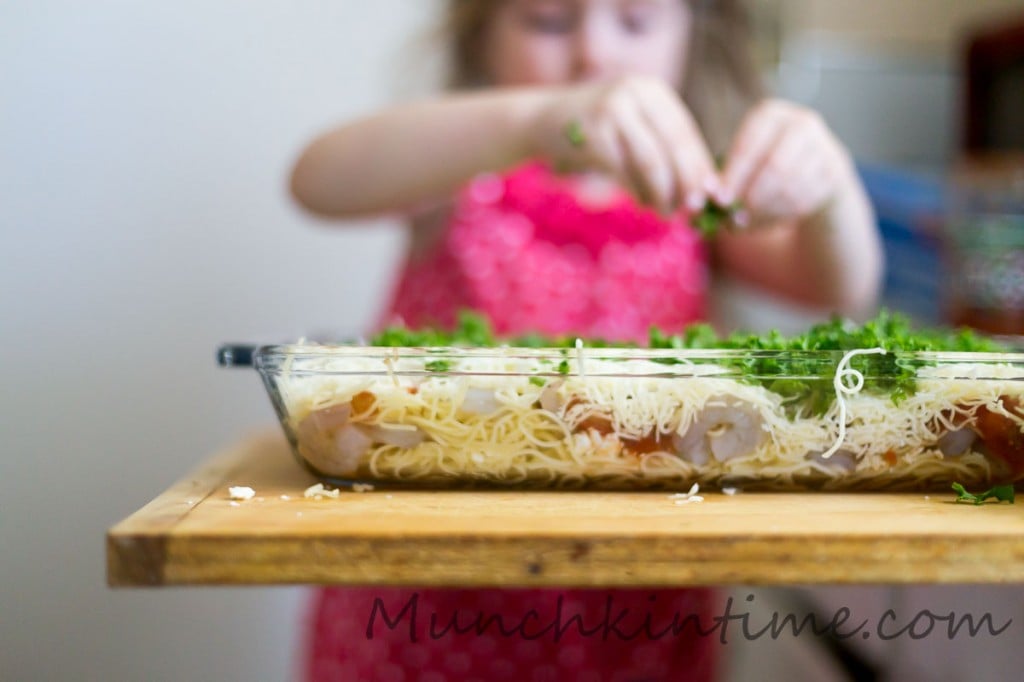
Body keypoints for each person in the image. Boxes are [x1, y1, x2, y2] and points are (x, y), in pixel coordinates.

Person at [290, 0, 884, 679]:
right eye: (548, 20)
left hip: (637, 613)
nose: (593, 53)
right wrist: (536, 119)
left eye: (634, 21)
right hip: (425, 607)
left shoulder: (694, 196)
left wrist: (830, 186)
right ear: (484, 37)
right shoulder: (455, 175)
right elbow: (317, 179)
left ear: (695, 33)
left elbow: (840, 286)